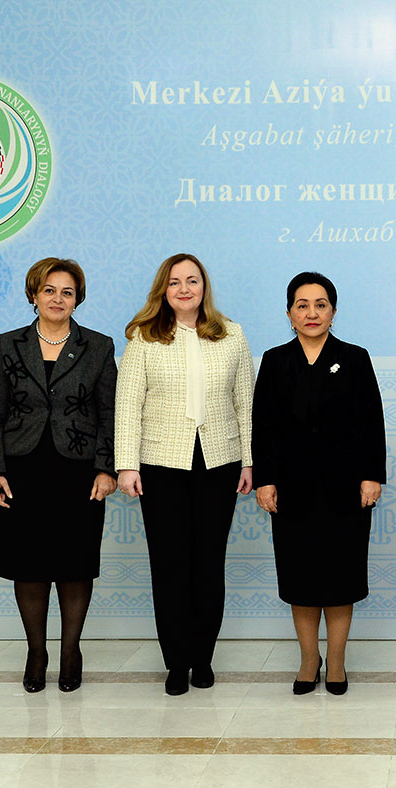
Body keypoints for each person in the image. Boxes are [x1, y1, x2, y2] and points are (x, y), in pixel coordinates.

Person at [115, 253, 254, 696]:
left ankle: (202, 658)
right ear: (164, 289)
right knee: (170, 565)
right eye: (175, 282)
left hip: (219, 462)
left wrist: (249, 460)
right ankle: (176, 662)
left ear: (204, 287)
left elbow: (245, 404)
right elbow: (127, 405)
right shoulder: (143, 337)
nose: (184, 288)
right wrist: (126, 465)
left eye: (192, 280)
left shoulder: (231, 334)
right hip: (160, 465)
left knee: (208, 564)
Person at [0, 257, 117, 693]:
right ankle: (36, 652)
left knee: (75, 566)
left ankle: (71, 650)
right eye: (50, 290)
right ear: (34, 295)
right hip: (21, 469)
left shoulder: (98, 346)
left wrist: (106, 467)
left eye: (67, 292)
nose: (58, 299)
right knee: (29, 566)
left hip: (78, 471)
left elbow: (110, 413)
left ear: (78, 299)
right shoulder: (8, 344)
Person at [252, 272, 386, 696]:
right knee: (302, 582)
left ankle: (338, 662)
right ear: (289, 313)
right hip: (291, 491)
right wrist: (265, 480)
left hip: (346, 490)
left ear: (333, 311)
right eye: (302, 305)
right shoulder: (275, 361)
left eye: (321, 304)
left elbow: (372, 423)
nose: (312, 313)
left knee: (340, 579)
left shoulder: (355, 357)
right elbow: (263, 426)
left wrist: (371, 476)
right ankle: (309, 659)